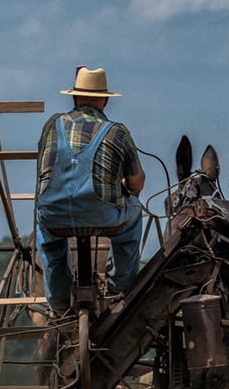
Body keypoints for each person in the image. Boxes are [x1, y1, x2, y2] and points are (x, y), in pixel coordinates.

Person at [35, 66, 146, 315]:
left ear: (74, 97)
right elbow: (137, 184)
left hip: (54, 214)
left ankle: (60, 302)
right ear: (105, 101)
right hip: (103, 215)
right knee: (134, 212)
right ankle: (120, 288)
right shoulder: (118, 132)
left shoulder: (51, 125)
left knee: (47, 234)